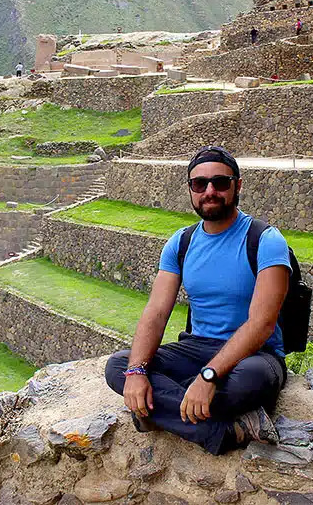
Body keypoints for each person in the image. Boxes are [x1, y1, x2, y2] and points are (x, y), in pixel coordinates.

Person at [105, 146, 291, 455]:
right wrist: (137, 372)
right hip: (197, 346)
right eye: (199, 184)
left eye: (220, 182)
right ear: (190, 189)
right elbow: (156, 312)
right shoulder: (181, 243)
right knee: (119, 366)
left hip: (255, 354)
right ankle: (227, 433)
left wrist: (208, 376)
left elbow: (262, 324)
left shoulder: (266, 240)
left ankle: (158, 411)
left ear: (238, 185)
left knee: (248, 382)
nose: (209, 191)